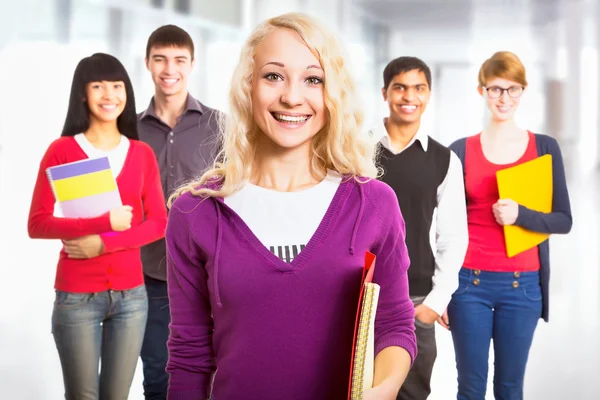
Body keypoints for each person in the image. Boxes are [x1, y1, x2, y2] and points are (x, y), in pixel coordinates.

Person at [164, 12, 417, 400]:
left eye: (313, 79)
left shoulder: (374, 204)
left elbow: (394, 324)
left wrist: (382, 390)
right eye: (273, 76)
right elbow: (190, 357)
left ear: (333, 92)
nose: (292, 97)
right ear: (248, 86)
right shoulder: (195, 214)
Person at [27, 53, 167, 399]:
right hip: (77, 297)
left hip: (132, 297)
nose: (109, 94)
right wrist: (104, 222)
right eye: (98, 86)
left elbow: (159, 224)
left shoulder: (141, 153)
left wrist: (103, 243)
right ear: (82, 95)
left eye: (117, 86)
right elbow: (38, 223)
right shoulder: (62, 151)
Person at [448, 51, 572, 400]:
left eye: (513, 89)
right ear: (481, 91)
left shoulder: (544, 148)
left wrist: (522, 216)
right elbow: (445, 227)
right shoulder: (460, 150)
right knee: (469, 389)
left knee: (509, 388)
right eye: (496, 89)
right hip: (467, 284)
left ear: (523, 91)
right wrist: (441, 290)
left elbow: (563, 220)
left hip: (523, 288)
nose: (504, 98)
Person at [370, 56, 469, 400]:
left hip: (415, 298)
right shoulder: (355, 151)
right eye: (400, 87)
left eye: (418, 88)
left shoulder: (443, 159)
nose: (408, 96)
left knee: (412, 393)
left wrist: (436, 300)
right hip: (360, 294)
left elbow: (453, 235)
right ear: (385, 93)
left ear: (428, 95)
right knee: (357, 389)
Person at [137, 24, 221, 400]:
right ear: (147, 63)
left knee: (210, 373)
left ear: (192, 64)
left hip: (208, 274)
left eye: (179, 60)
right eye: (160, 59)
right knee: (157, 375)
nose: (169, 69)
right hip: (149, 274)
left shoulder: (220, 126)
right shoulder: (130, 131)